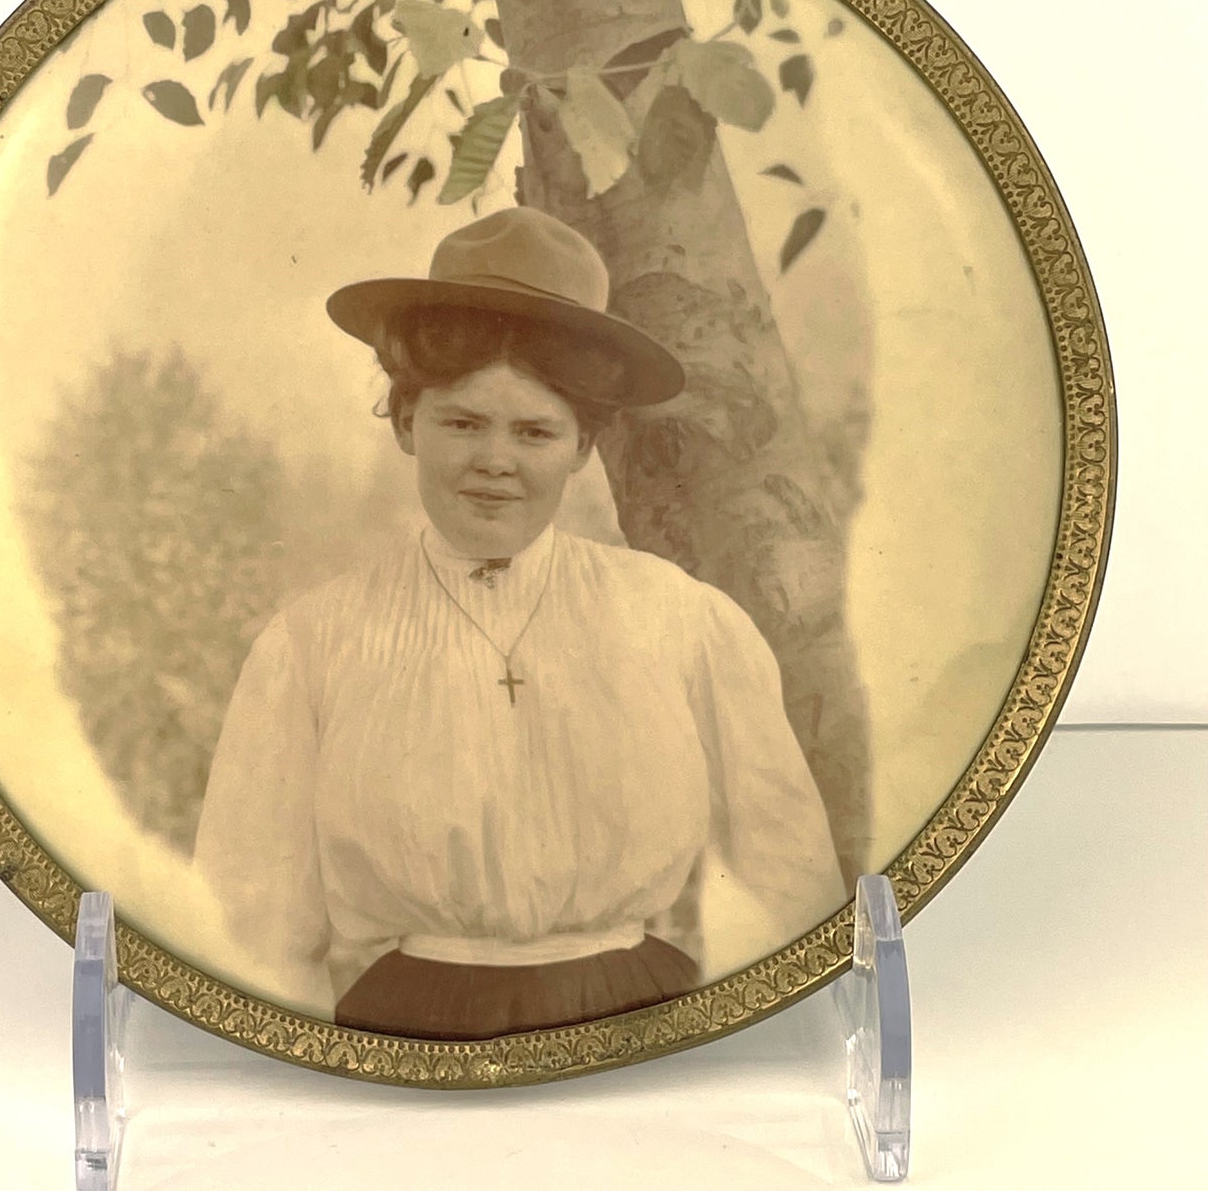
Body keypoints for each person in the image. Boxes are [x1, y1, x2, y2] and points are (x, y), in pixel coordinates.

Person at [194, 206, 843, 1039]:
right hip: (409, 1027)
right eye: (461, 421)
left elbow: (785, 883)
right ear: (404, 423)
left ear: (581, 448)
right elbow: (253, 930)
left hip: (644, 1017)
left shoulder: (683, 621)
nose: (494, 460)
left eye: (534, 431)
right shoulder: (311, 644)